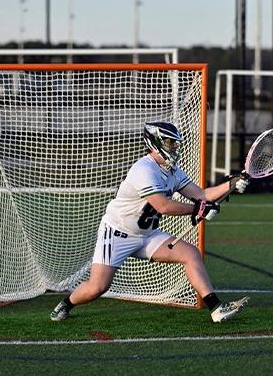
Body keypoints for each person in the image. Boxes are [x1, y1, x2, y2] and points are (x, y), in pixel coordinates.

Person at [50, 121, 250, 323]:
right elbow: (162, 205)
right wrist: (197, 209)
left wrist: (231, 184)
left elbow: (201, 195)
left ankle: (216, 308)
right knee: (98, 287)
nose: (175, 146)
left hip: (146, 235)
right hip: (118, 233)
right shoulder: (143, 169)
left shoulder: (171, 169)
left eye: (175, 142)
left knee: (190, 253)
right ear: (156, 142)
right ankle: (66, 304)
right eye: (170, 142)